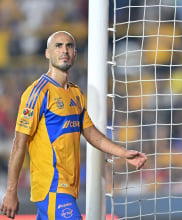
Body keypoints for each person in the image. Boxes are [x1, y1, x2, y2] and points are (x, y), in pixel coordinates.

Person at [0, 31, 147, 220]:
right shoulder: (37, 93)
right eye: (58, 45)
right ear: (47, 53)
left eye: (69, 46)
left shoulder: (76, 94)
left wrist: (123, 153)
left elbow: (90, 132)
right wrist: (11, 191)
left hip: (67, 189)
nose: (64, 50)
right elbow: (19, 144)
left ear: (75, 53)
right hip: (52, 188)